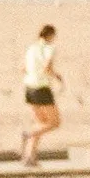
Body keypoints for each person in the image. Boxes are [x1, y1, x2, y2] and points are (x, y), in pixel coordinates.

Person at [19, 22, 67, 163]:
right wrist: (58, 77)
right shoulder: (49, 48)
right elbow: (47, 67)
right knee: (54, 122)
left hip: (29, 87)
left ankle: (29, 156)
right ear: (50, 35)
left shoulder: (31, 48)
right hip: (41, 88)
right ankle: (27, 134)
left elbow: (23, 68)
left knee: (40, 122)